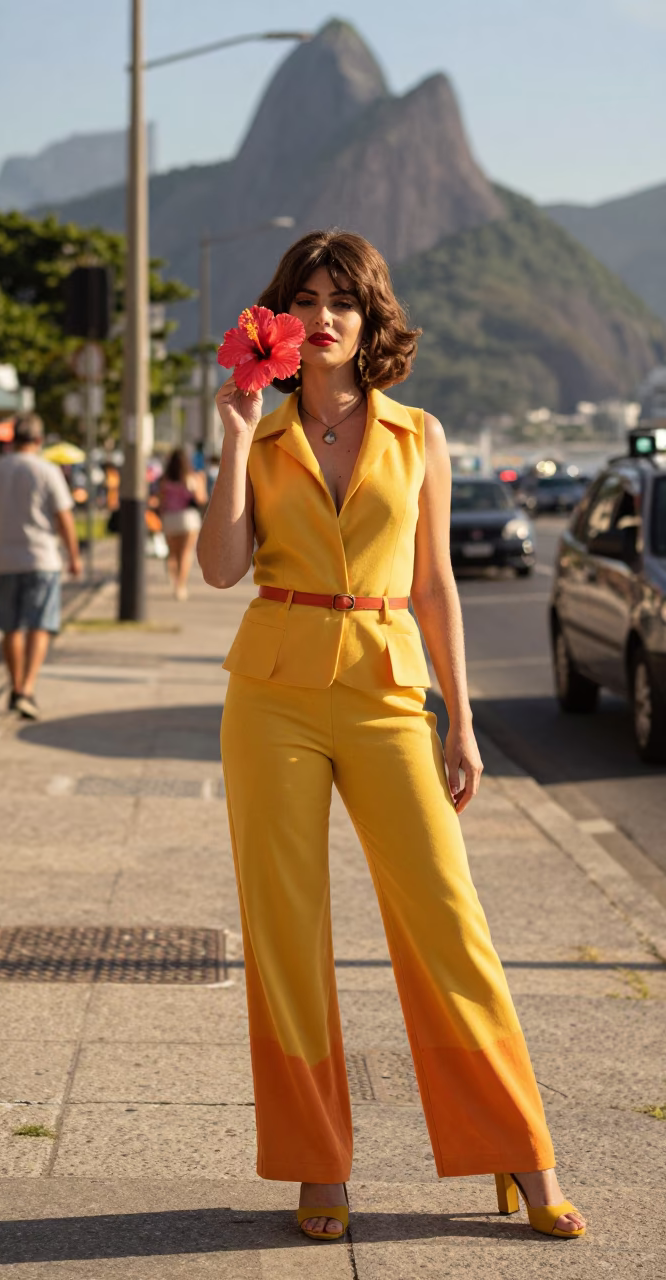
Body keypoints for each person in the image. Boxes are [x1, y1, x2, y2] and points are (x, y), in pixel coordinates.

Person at [197, 231, 586, 1244]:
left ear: (370, 321)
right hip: (271, 689)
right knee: (286, 935)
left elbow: (435, 585)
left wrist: (461, 718)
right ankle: (315, 1164)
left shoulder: (420, 434)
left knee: (448, 919)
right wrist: (236, 437)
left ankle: (522, 1150)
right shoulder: (263, 427)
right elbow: (220, 566)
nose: (324, 316)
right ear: (276, 321)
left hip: (386, 685)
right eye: (306, 299)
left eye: (345, 301)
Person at [0, 414, 81, 719]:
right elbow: (64, 517)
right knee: (39, 625)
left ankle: (15, 685)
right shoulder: (47, 470)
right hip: (42, 559)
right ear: (39, 440)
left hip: (2, 559)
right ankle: (27, 689)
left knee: (10, 627)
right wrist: (74, 556)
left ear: (11, 439)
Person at [158, 448, 207, 600]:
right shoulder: (191, 478)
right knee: (186, 553)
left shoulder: (164, 480)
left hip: (170, 518)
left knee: (172, 553)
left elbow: (161, 502)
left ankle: (174, 582)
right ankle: (181, 586)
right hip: (188, 518)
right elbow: (201, 499)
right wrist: (202, 482)